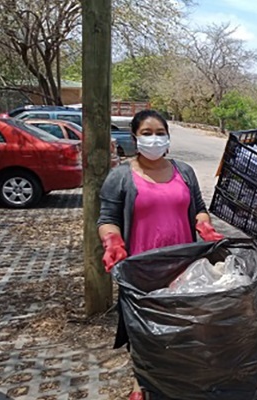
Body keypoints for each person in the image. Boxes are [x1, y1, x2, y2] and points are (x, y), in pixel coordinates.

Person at [97, 110, 224, 400]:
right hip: (141, 270)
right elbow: (106, 217)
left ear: (168, 137)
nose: (154, 139)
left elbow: (198, 207)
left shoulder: (184, 171)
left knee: (181, 327)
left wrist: (203, 224)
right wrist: (112, 240)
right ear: (134, 137)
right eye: (146, 133)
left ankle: (177, 379)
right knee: (141, 330)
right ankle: (140, 384)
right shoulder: (120, 177)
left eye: (159, 133)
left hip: (183, 269)